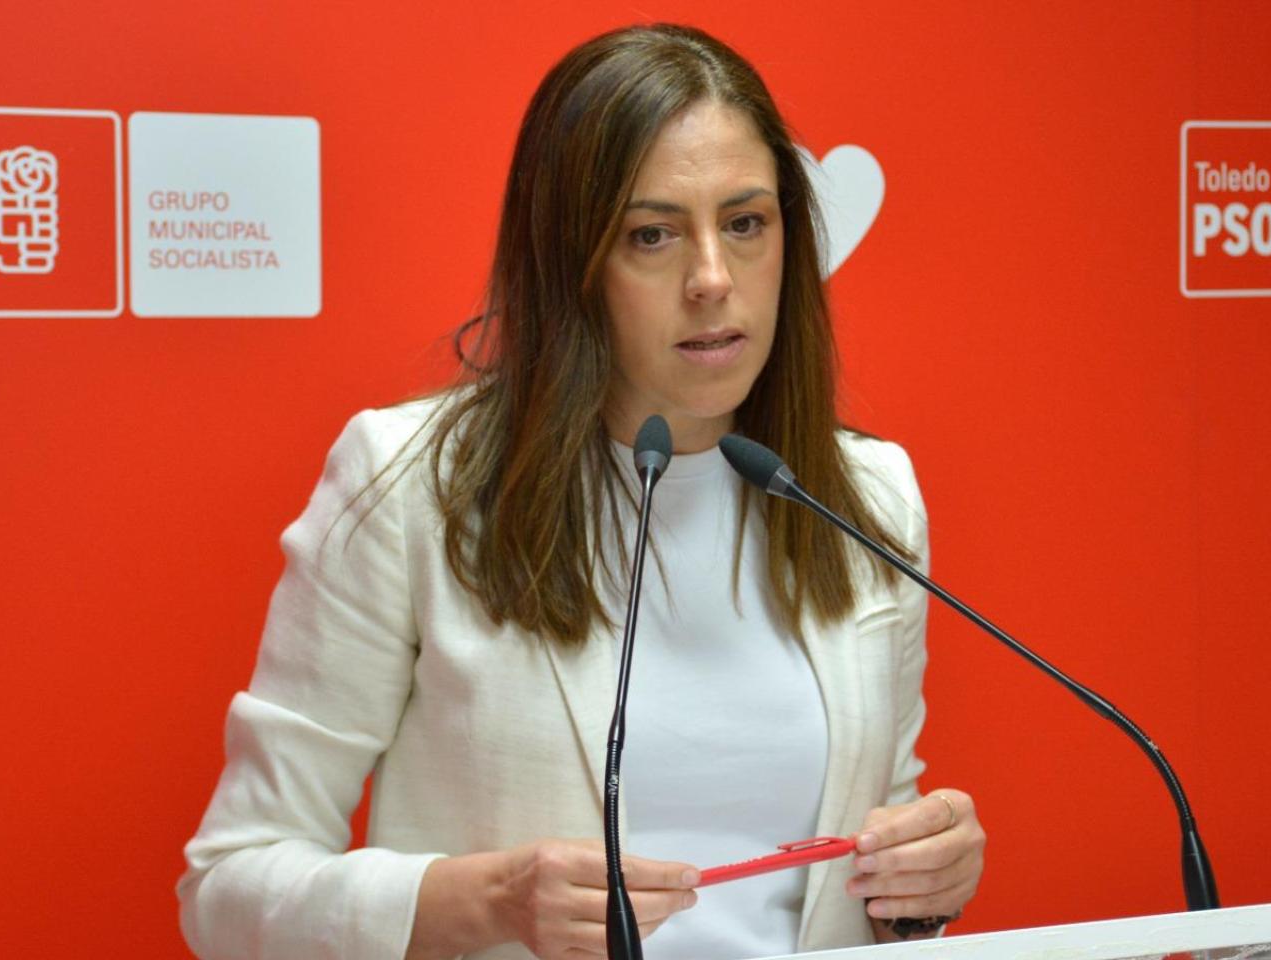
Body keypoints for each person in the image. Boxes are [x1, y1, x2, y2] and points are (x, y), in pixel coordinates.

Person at [178, 23, 984, 960]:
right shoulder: (410, 486)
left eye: (746, 223)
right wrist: (485, 900)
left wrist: (918, 889)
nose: (713, 279)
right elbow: (228, 887)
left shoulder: (868, 499)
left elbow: (875, 863)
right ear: (571, 265)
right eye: (652, 235)